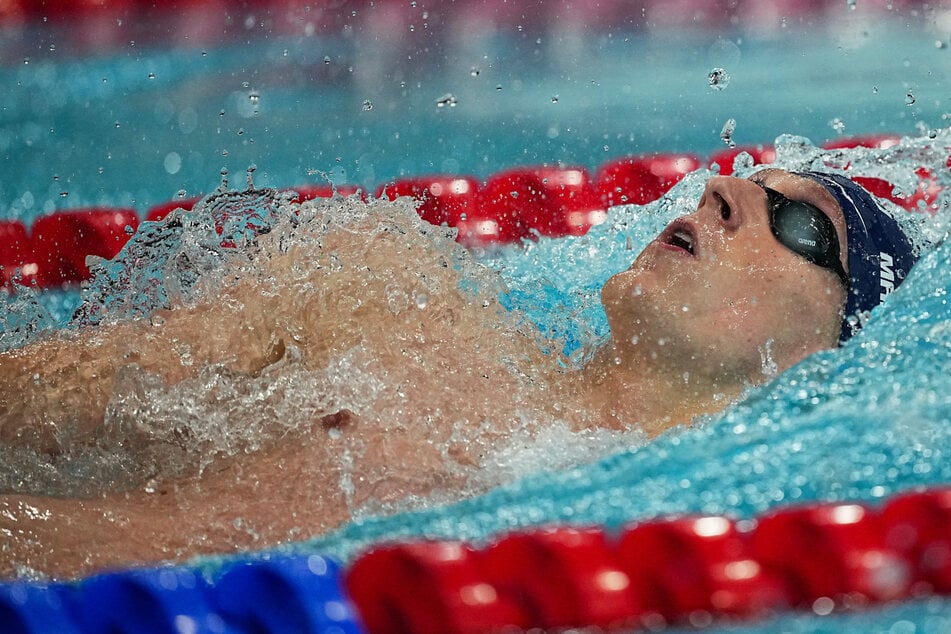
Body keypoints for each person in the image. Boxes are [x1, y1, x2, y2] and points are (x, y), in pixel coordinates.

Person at [0, 168, 918, 579]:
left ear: (819, 353)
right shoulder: (387, 295)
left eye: (799, 227)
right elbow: (41, 397)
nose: (723, 194)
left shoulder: (665, 553)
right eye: (747, 181)